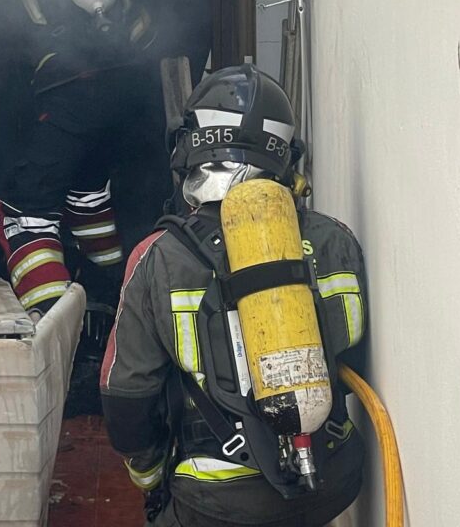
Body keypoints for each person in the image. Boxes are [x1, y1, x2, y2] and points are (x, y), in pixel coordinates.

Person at [100, 64, 366, 527]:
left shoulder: (158, 257)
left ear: (189, 149)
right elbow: (355, 363)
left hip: (217, 500)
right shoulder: (335, 238)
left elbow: (127, 397)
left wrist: (150, 476)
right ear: (286, 156)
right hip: (334, 479)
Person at [0, 0, 159, 318]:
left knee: (25, 212)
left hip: (65, 101)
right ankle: (112, 293)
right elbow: (147, 34)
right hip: (120, 105)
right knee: (88, 196)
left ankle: (53, 324)